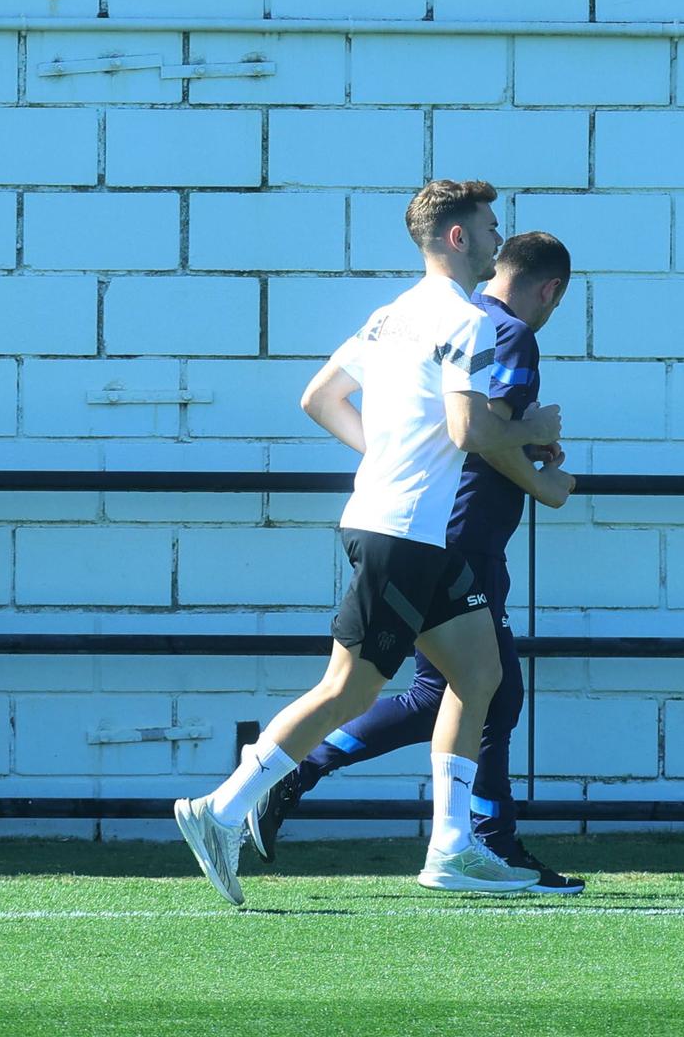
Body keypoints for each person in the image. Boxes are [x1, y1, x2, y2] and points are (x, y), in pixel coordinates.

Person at [174, 180, 563, 906]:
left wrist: (382, 458)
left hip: (410, 524)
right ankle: (221, 809)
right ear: (457, 238)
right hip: (405, 530)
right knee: (347, 689)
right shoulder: (463, 318)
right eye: (486, 227)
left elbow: (318, 398)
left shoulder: (389, 316)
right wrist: (535, 432)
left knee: (480, 676)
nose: (493, 238)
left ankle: (452, 849)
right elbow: (470, 431)